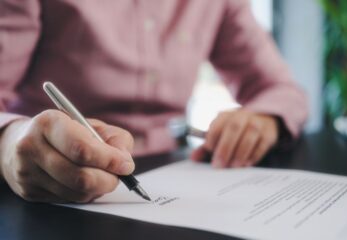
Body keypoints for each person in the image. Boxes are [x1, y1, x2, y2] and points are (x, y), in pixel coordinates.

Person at [0, 0, 307, 203]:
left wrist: (264, 118)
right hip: (48, 183)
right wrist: (8, 140)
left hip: (178, 169)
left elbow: (282, 90)